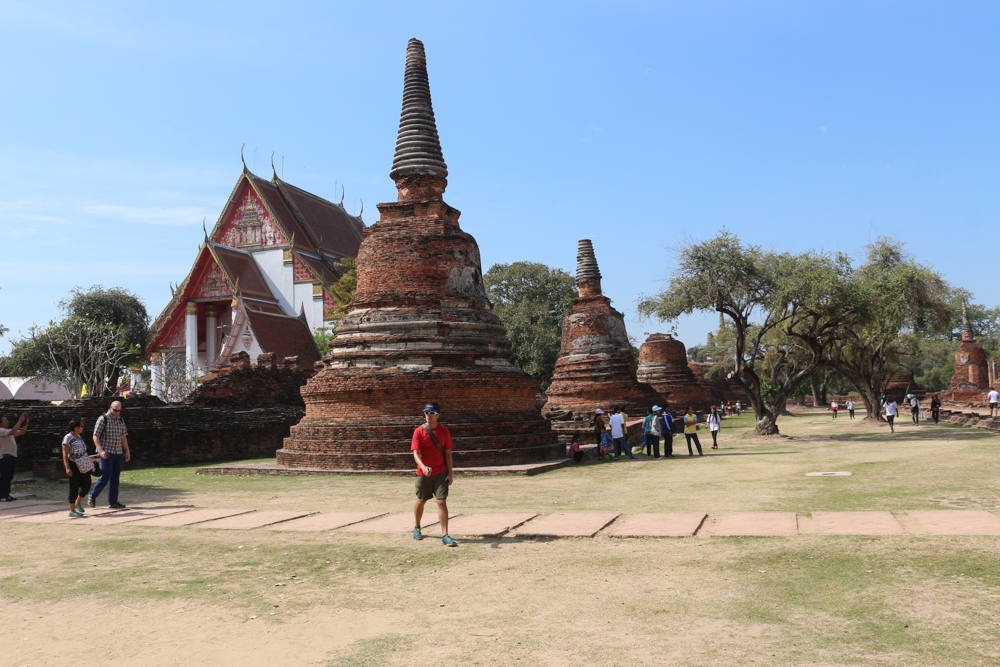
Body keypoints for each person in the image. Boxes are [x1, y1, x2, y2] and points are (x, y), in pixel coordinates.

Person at [410, 402, 457, 547]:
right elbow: (415, 453)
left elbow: (448, 454)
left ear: (438, 415)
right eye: (426, 413)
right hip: (424, 473)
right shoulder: (419, 431)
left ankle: (445, 534)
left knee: (441, 501)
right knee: (421, 500)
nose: (428, 416)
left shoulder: (444, 431)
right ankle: (417, 526)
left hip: (441, 472)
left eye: (431, 413)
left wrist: (450, 473)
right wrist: (423, 467)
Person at [88, 401, 130, 509]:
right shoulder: (103, 419)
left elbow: (123, 437)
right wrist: (100, 451)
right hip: (106, 452)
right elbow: (95, 436)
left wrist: (127, 451)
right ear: (110, 408)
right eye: (115, 410)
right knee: (106, 475)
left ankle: (113, 501)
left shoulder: (120, 420)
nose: (116, 413)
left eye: (119, 411)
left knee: (115, 477)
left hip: (118, 452)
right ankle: (93, 495)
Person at [62, 419, 94, 518]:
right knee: (74, 487)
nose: (83, 428)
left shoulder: (79, 437)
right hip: (73, 465)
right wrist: (67, 468)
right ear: (76, 427)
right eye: (81, 426)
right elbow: (64, 453)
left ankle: (78, 502)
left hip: (83, 464)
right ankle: (72, 510)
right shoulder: (68, 437)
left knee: (87, 484)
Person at [0, 413, 28, 502]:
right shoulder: (1, 430)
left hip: (11, 457)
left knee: (9, 477)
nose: (7, 421)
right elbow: (12, 432)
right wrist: (19, 421)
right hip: (5, 457)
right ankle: (2, 496)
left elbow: (21, 432)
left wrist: (25, 423)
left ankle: (6, 494)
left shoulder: (7, 430)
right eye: (5, 420)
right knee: (4, 477)